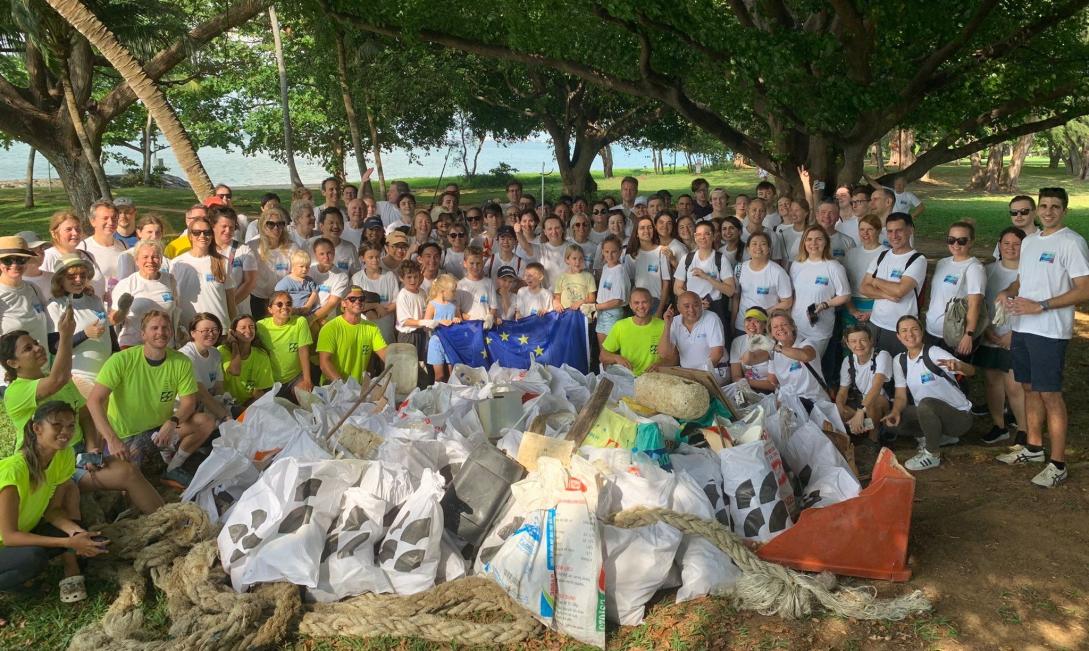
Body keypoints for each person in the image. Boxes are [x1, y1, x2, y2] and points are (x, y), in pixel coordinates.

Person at [996, 187, 1089, 487]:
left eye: (1055, 207)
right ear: (1037, 210)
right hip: (1023, 328)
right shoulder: (1032, 242)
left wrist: (1042, 305)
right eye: (1044, 206)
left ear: (1065, 211)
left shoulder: (1072, 243)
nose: (1049, 211)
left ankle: (1058, 463)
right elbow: (1024, 280)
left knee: (1050, 394)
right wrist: (1007, 292)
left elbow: (1084, 288)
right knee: (1029, 388)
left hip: (1050, 331)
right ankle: (1034, 448)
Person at [86, 310, 213, 485]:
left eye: (165, 328)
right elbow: (94, 401)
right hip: (127, 435)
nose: (160, 332)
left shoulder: (181, 361)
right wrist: (112, 439)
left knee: (204, 421)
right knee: (130, 480)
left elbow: (189, 402)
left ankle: (173, 467)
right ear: (143, 334)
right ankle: (158, 471)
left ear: (171, 332)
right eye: (154, 328)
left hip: (160, 430)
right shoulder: (121, 360)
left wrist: (173, 422)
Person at [0, 401, 106, 600]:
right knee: (33, 557)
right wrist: (68, 542)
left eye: (71, 426)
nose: (65, 431)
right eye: (57, 425)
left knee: (73, 526)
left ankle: (68, 563)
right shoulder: (13, 471)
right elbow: (10, 537)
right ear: (37, 428)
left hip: (22, 533)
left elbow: (53, 511)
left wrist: (79, 534)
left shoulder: (64, 455)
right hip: (9, 539)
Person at [883, 315, 974, 472]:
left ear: (922, 331)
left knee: (926, 404)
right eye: (904, 331)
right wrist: (896, 411)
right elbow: (900, 396)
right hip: (928, 413)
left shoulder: (933, 352)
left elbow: (971, 371)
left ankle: (932, 454)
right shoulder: (900, 361)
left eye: (914, 329)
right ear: (898, 336)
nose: (910, 334)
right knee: (891, 423)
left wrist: (958, 365)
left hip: (959, 418)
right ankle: (941, 437)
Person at [975, 227, 1026, 446]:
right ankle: (999, 425)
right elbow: (979, 305)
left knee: (1014, 386)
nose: (1011, 248)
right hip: (990, 335)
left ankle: (1024, 430)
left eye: (1016, 244)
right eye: (1006, 243)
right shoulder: (987, 270)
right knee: (992, 382)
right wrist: (986, 329)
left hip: (1016, 338)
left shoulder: (1029, 272)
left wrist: (1013, 335)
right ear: (999, 244)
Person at [46, 254, 119, 396]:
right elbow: (54, 346)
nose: (78, 280)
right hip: (78, 374)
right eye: (72, 277)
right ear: (61, 279)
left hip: (105, 373)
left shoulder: (95, 300)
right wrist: (85, 334)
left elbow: (110, 332)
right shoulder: (55, 305)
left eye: (82, 275)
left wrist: (117, 357)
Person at [860, 213, 927, 356]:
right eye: (890, 231)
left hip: (901, 329)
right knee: (876, 369)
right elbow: (864, 288)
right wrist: (885, 294)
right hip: (875, 323)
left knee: (897, 373)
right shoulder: (882, 255)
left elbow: (899, 291)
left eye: (899, 230)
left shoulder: (917, 260)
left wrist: (876, 281)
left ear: (910, 230)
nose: (894, 235)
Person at [789, 225, 851, 358]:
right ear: (804, 242)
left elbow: (845, 295)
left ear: (826, 242)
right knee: (793, 366)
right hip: (796, 325)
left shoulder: (834, 267)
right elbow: (793, 295)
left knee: (811, 366)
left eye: (818, 239)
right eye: (809, 239)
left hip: (819, 328)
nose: (813, 243)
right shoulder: (796, 265)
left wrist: (825, 305)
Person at [924, 222, 985, 355]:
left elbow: (975, 304)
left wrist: (968, 335)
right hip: (931, 330)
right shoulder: (942, 263)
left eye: (961, 241)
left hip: (954, 335)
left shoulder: (974, 268)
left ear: (971, 242)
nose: (955, 244)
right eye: (951, 240)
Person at [171, 216, 237, 331]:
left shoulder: (223, 262)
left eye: (207, 232)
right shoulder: (177, 263)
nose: (202, 236)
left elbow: (230, 299)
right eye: (197, 233)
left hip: (219, 329)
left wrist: (233, 327)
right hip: (189, 330)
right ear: (190, 236)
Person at [111, 240, 179, 349]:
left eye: (155, 257)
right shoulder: (126, 284)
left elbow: (175, 313)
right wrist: (123, 310)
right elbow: (113, 320)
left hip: (164, 346)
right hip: (134, 346)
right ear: (136, 260)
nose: (150, 261)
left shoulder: (170, 280)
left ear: (161, 259)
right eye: (145, 257)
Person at [317, 286, 388, 384]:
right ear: (343, 303)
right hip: (333, 386)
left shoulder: (372, 328)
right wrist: (343, 387)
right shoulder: (331, 328)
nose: (358, 301)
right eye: (352, 299)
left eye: (361, 299)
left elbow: (386, 355)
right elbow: (324, 363)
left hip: (358, 389)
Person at [674, 221, 736, 334]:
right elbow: (677, 287)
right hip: (690, 309)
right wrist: (695, 302)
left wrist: (707, 277)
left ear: (713, 236)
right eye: (699, 234)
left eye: (707, 234)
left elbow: (730, 291)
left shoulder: (721, 259)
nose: (702, 237)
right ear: (695, 236)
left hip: (715, 307)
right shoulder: (687, 259)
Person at [835, 325, 892, 440]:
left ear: (871, 340)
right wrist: (840, 408)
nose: (858, 345)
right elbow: (842, 392)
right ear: (848, 343)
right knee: (839, 411)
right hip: (861, 403)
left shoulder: (881, 355)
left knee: (873, 401)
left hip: (882, 403)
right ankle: (861, 430)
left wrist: (860, 412)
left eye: (863, 340)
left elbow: (876, 387)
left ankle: (873, 439)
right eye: (853, 341)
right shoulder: (848, 361)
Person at [255, 291, 314, 400]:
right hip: (269, 381)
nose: (285, 307)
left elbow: (303, 351)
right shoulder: (260, 326)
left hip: (294, 378)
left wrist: (307, 380)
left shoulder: (300, 322)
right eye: (279, 304)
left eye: (288, 304)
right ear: (270, 309)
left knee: (307, 399)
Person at [766, 310, 832, 405]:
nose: (780, 328)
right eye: (775, 327)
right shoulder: (773, 351)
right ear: (771, 333)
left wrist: (778, 348)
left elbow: (806, 356)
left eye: (784, 324)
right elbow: (748, 360)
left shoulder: (806, 343)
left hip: (813, 400)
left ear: (792, 327)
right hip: (788, 401)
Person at [733, 232, 792, 334]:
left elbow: (787, 302)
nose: (758, 247)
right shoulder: (739, 268)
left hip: (765, 325)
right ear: (748, 249)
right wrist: (732, 321)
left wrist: (765, 312)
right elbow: (736, 297)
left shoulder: (778, 272)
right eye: (754, 244)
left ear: (769, 249)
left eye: (763, 244)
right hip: (743, 325)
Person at [178, 314, 230, 429]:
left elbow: (219, 388)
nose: (211, 334)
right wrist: (226, 417)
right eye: (205, 330)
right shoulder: (186, 355)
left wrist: (225, 408)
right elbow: (201, 394)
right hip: (184, 412)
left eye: (215, 330)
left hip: (206, 406)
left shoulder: (215, 353)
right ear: (193, 333)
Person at [0, 236, 48, 359]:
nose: (15, 265)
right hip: (11, 375)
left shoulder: (33, 288)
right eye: (7, 260)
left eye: (21, 259)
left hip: (43, 369)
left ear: (28, 261)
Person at [655, 291, 726, 374]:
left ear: (701, 305)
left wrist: (700, 374)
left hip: (714, 371)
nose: (691, 310)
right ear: (678, 308)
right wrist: (667, 325)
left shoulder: (711, 318)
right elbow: (664, 354)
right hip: (689, 374)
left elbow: (717, 353)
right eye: (686, 306)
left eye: (696, 305)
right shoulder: (674, 321)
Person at [600, 288, 664, 376]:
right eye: (636, 303)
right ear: (630, 305)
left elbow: (674, 358)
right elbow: (603, 355)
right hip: (629, 379)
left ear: (651, 302)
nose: (641, 306)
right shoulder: (620, 326)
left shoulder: (663, 326)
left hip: (655, 379)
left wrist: (660, 364)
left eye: (644, 302)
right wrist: (616, 358)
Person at [248, 207, 297, 318]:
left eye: (280, 224)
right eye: (271, 224)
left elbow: (295, 274)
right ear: (262, 226)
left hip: (282, 300)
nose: (276, 228)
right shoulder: (252, 247)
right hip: (259, 298)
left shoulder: (292, 247)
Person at [219, 315, 274, 414]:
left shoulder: (261, 355)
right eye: (243, 328)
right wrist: (234, 344)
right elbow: (235, 371)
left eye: (251, 327)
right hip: (223, 404)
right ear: (233, 332)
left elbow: (257, 391)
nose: (248, 330)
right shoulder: (223, 351)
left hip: (247, 403)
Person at [78, 200, 128, 303]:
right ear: (93, 221)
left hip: (120, 308)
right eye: (105, 218)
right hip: (95, 307)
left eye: (114, 218)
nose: (110, 222)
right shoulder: (83, 248)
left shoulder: (124, 245)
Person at [842, 214, 887, 327]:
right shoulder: (851, 253)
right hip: (851, 304)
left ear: (878, 231)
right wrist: (852, 310)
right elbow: (844, 282)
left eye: (870, 229)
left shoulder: (887, 254)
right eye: (862, 229)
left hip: (876, 304)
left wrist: (872, 312)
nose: (865, 233)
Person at [211, 208, 257, 317]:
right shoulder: (206, 250)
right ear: (213, 226)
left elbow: (250, 283)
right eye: (224, 226)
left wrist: (228, 306)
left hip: (239, 312)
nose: (228, 231)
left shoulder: (244, 250)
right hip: (212, 311)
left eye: (231, 227)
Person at [624, 216, 672, 318]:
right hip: (639, 304)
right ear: (636, 233)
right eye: (642, 228)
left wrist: (660, 309)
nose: (646, 231)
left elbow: (666, 283)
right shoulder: (631, 256)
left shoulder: (661, 252)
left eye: (649, 227)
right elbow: (629, 283)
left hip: (657, 302)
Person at [352, 244, 399, 344]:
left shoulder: (390, 276)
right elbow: (354, 304)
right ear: (362, 258)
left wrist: (382, 312)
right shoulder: (356, 278)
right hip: (364, 328)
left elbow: (396, 301)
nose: (375, 260)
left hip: (386, 328)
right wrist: (375, 306)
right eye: (370, 257)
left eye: (377, 257)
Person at [424, 275, 463, 383]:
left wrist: (457, 320)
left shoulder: (453, 305)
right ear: (442, 291)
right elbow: (425, 326)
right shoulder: (432, 304)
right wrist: (439, 322)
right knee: (439, 376)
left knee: (453, 375)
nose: (455, 294)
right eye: (453, 291)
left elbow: (459, 319)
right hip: (436, 342)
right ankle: (439, 396)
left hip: (450, 342)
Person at [395, 260, 430, 376]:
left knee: (420, 366)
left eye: (416, 276)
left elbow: (426, 311)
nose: (413, 280)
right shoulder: (402, 296)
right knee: (407, 368)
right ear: (401, 278)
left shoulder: (422, 292)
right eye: (409, 277)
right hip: (408, 336)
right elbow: (405, 321)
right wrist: (424, 322)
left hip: (421, 334)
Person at [308, 238, 350, 334]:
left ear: (334, 253)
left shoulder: (341, 276)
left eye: (329, 253)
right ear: (315, 254)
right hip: (308, 318)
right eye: (321, 254)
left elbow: (332, 303)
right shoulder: (309, 271)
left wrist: (311, 318)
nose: (326, 257)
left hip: (327, 321)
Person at [594, 236, 630, 344]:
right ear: (602, 252)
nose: (610, 255)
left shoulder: (619, 271)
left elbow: (617, 301)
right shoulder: (606, 267)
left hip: (612, 314)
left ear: (620, 252)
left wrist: (595, 307)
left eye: (613, 252)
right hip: (601, 312)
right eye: (606, 251)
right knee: (602, 349)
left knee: (611, 348)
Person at [731, 307, 775, 393]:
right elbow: (735, 376)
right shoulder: (737, 341)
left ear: (765, 325)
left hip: (768, 391)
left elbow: (772, 385)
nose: (752, 324)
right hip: (746, 389)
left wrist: (745, 382)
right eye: (749, 320)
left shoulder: (771, 342)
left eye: (757, 321)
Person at [116, 214, 171, 280]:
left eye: (157, 232)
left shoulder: (166, 261)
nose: (154, 236)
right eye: (149, 232)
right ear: (139, 233)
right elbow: (124, 283)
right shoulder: (127, 256)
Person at [457, 247, 499, 322]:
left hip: (484, 325)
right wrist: (462, 316)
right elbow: (456, 308)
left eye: (478, 263)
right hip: (467, 326)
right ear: (465, 263)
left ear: (483, 263)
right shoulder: (460, 285)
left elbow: (493, 307)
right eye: (471, 263)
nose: (475, 267)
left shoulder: (489, 283)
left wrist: (490, 317)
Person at [274, 249, 319, 316]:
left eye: (307, 267)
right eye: (301, 266)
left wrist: (308, 305)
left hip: (309, 311)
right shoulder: (286, 282)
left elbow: (314, 292)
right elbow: (278, 296)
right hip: (292, 312)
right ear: (293, 266)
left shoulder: (309, 280)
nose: (305, 269)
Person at [553, 245, 596, 312]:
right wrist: (557, 304)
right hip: (566, 315)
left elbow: (592, 299)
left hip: (583, 316)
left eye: (580, 258)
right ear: (567, 260)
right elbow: (557, 297)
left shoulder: (589, 277)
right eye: (574, 258)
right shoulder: (561, 277)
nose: (577, 262)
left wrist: (582, 302)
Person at [15, 231, 52, 300]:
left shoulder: (52, 278)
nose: (42, 251)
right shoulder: (14, 282)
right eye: (38, 248)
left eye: (42, 247)